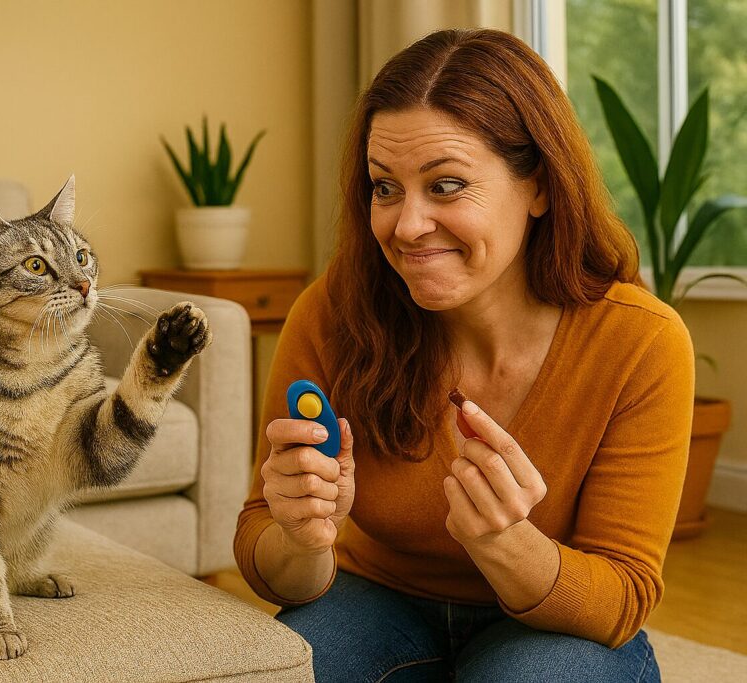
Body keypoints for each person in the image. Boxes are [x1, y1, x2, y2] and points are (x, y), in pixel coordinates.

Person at [233, 28, 693, 682]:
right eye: (384, 188)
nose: (406, 224)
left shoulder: (641, 342)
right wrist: (303, 538)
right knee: (282, 669)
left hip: (548, 627)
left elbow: (621, 597)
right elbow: (262, 547)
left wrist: (508, 544)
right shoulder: (334, 312)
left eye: (445, 185)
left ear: (540, 186)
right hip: (375, 593)